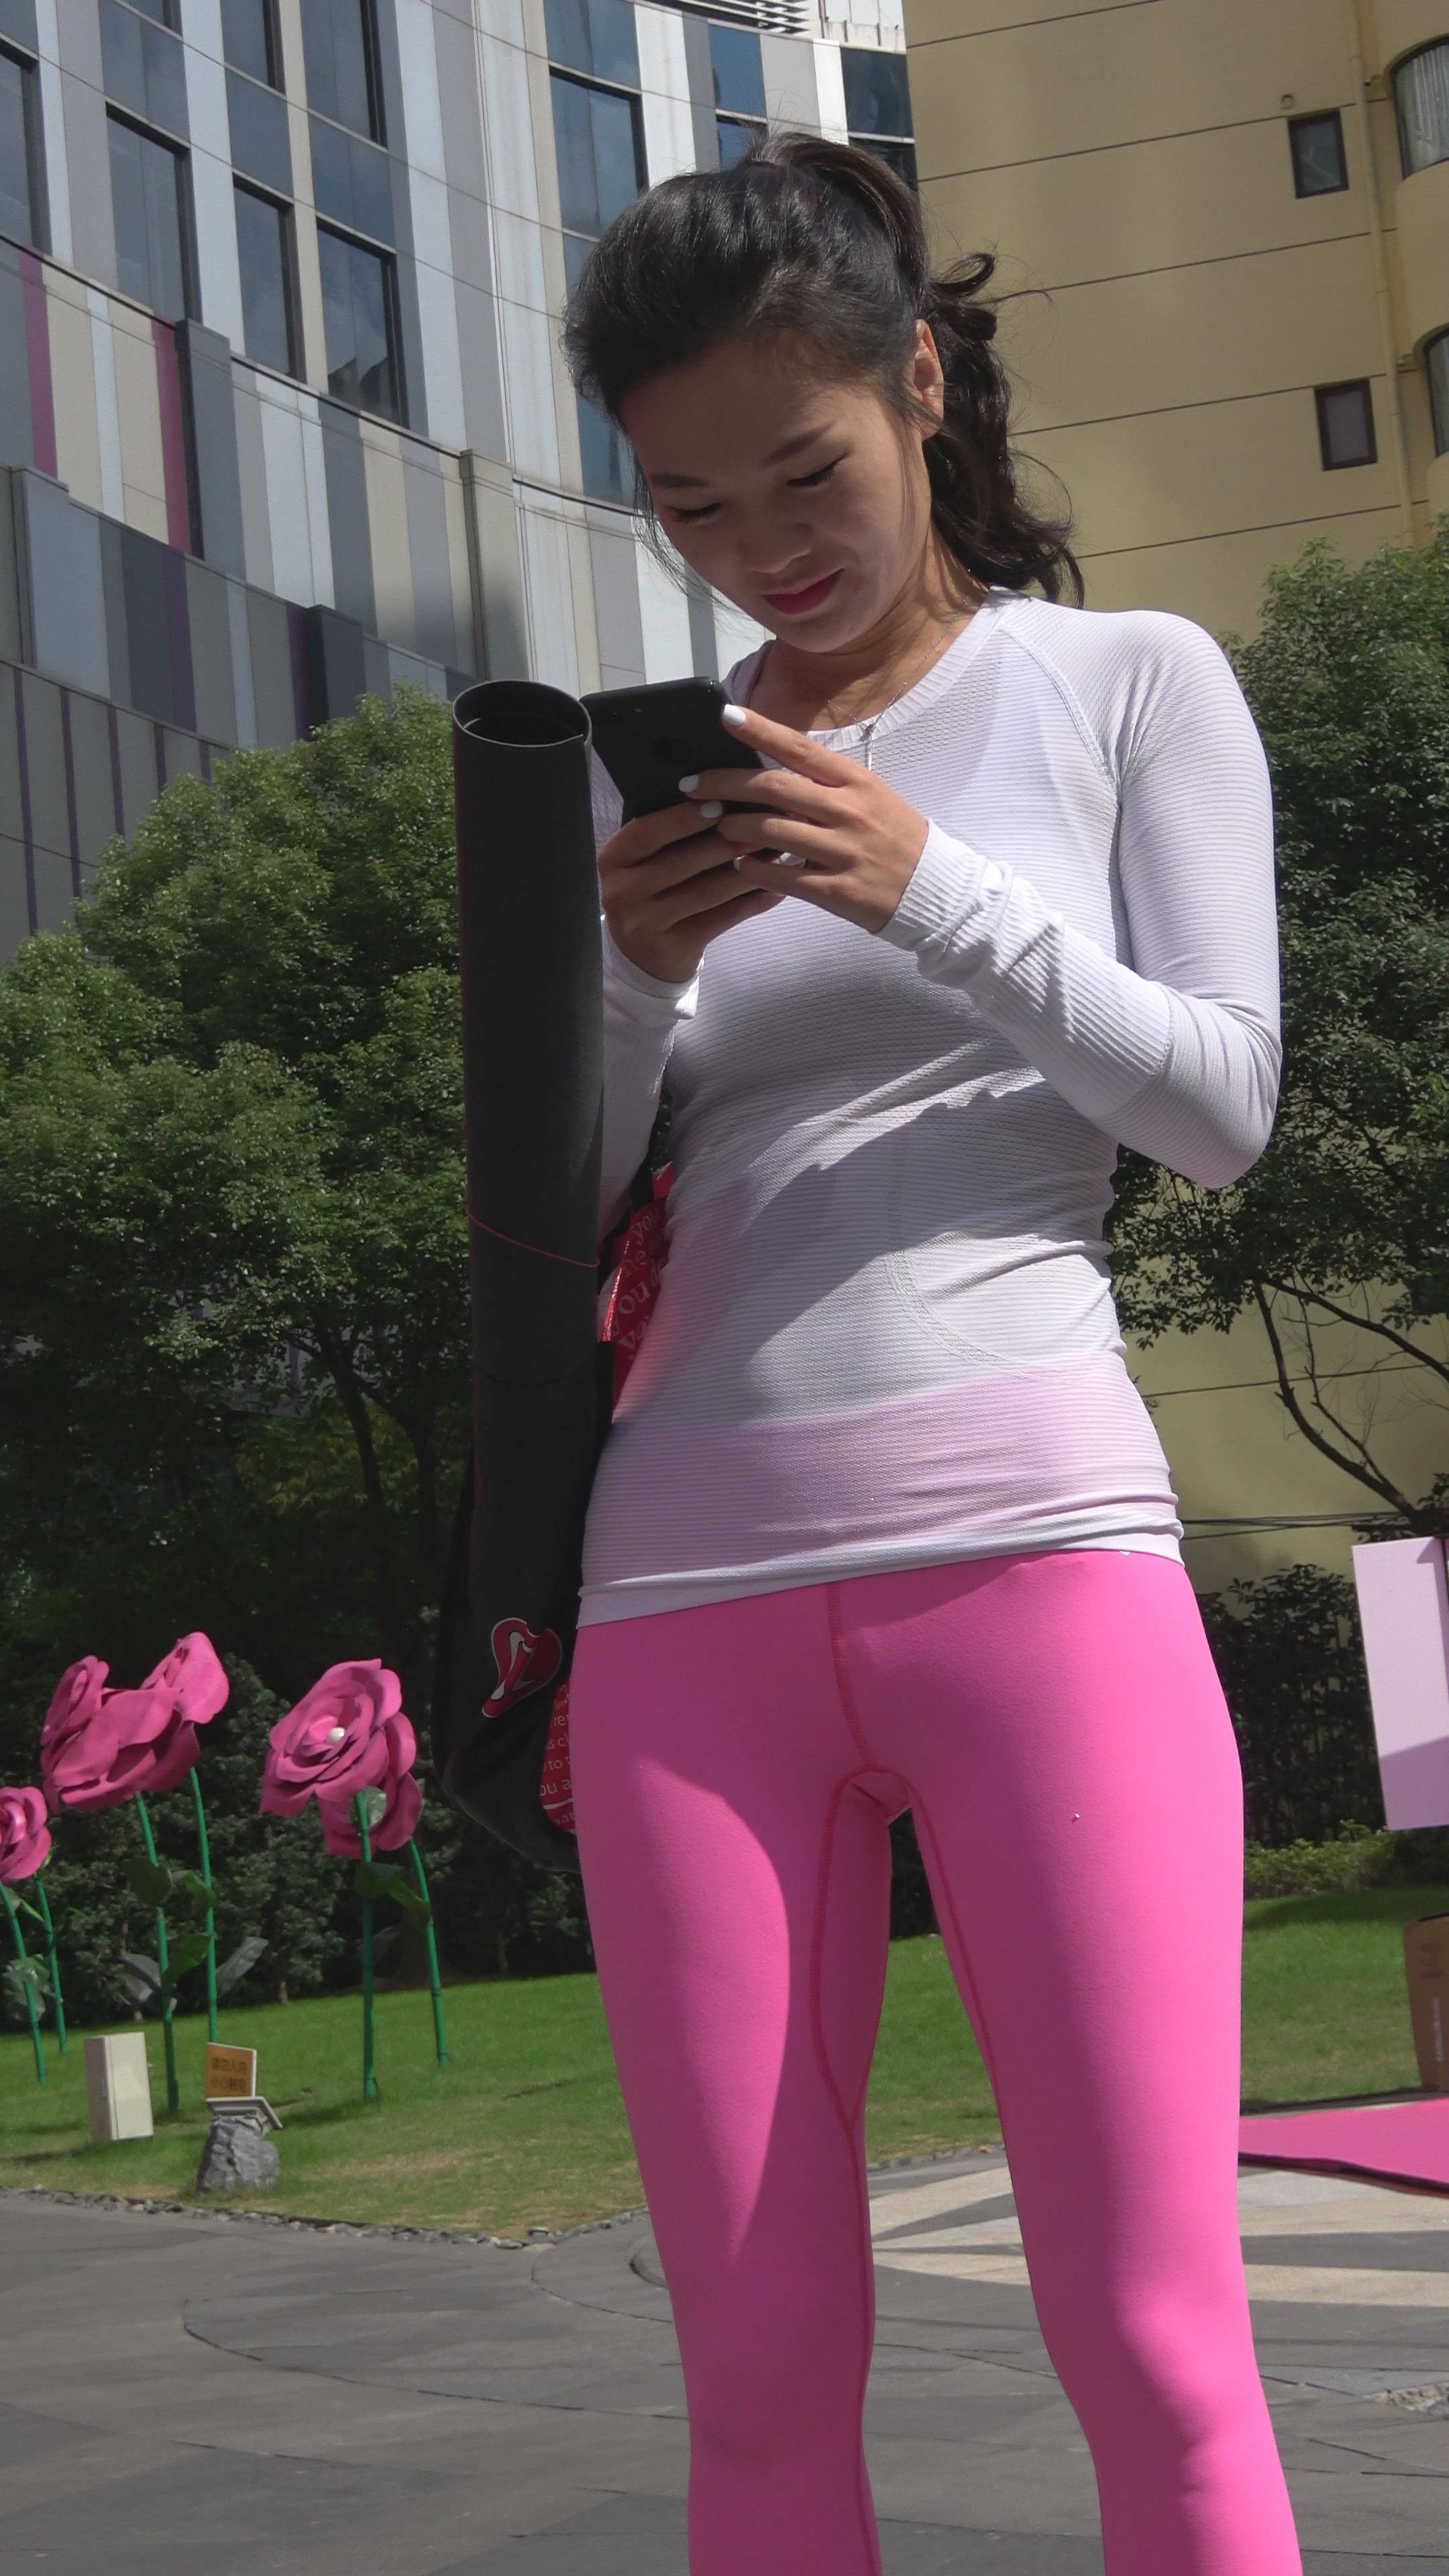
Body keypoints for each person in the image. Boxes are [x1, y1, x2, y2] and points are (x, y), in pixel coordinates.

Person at [558, 130, 1303, 2576]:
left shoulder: (1124, 684)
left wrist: (929, 886)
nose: (764, 545)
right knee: (757, 2375)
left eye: (806, 469)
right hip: (681, 1602)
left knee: (1157, 2344)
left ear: (920, 382)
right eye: (692, 505)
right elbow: (554, 1205)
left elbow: (1222, 1107)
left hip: (1035, 1557)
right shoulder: (645, 777)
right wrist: (630, 972)